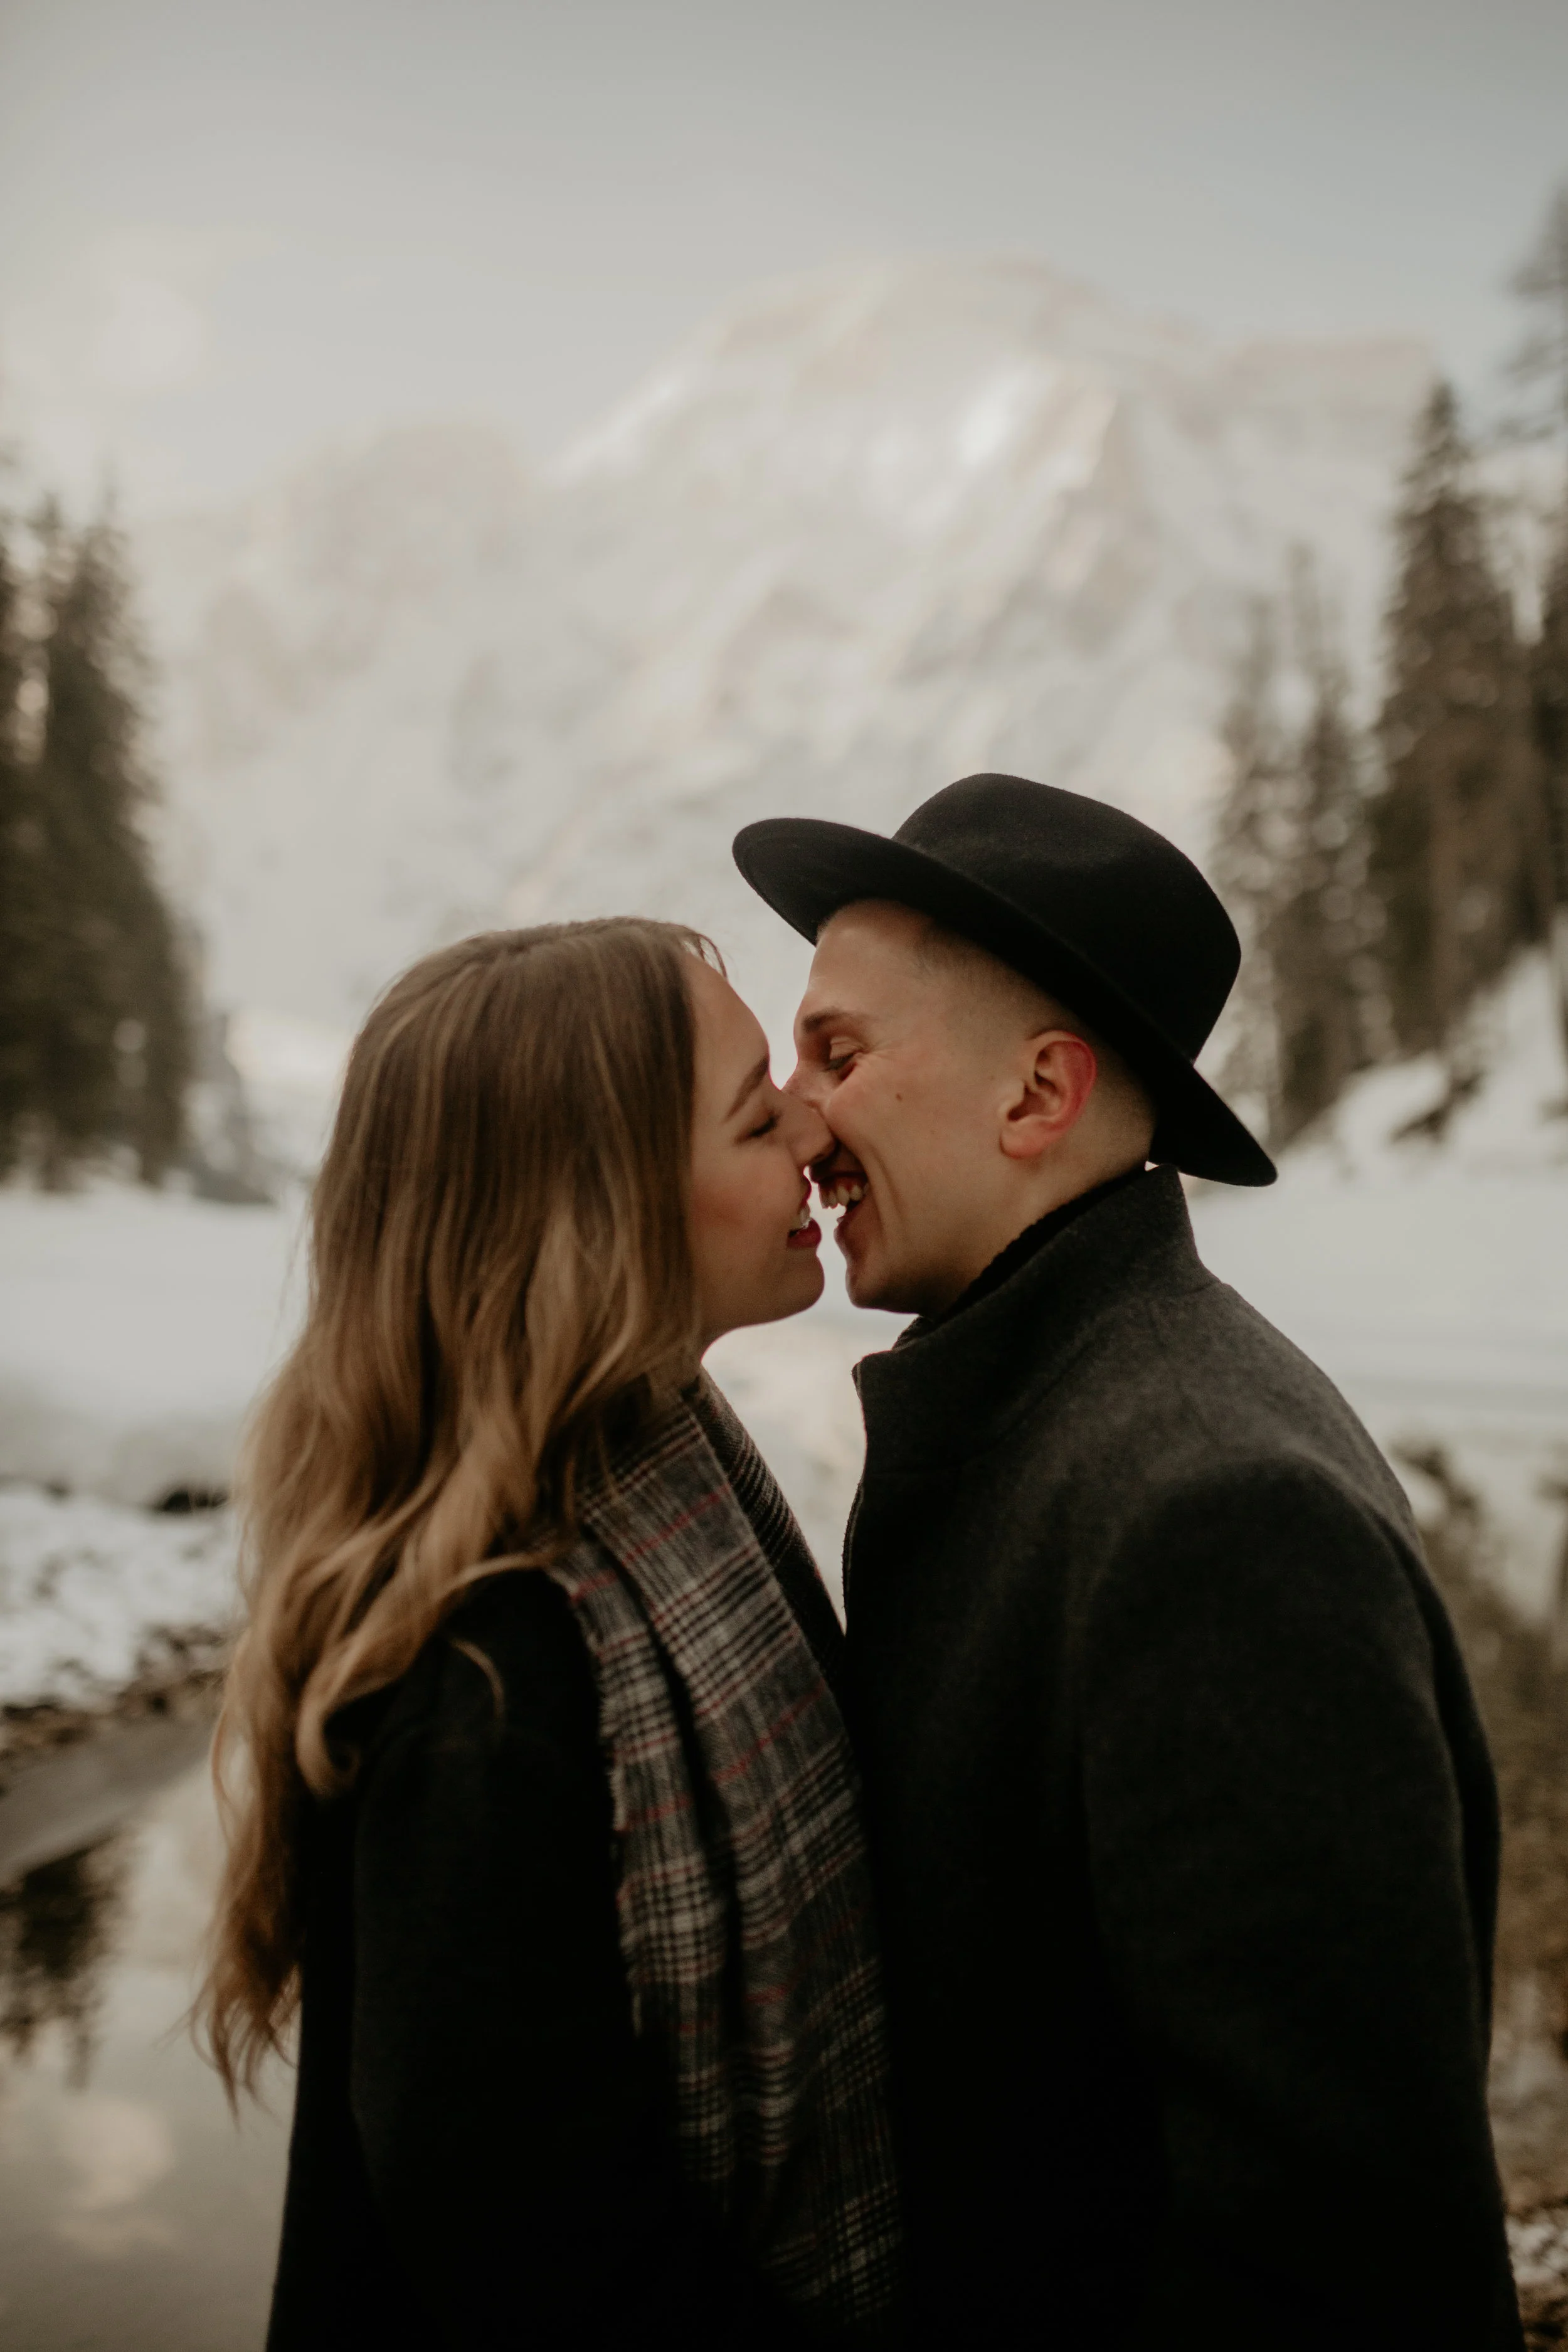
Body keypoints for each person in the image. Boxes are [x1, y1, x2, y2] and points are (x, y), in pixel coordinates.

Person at [733, 773, 1522, 2351]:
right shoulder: (1044, 1406)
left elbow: (1339, 2261)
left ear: (1034, 1098)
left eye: (839, 1052)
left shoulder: (1215, 1520)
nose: (800, 1118)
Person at [198, 919, 903, 2351]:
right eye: (755, 1115)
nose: (812, 1129)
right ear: (607, 1206)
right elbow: (545, 2272)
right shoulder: (481, 1683)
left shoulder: (672, 1478)